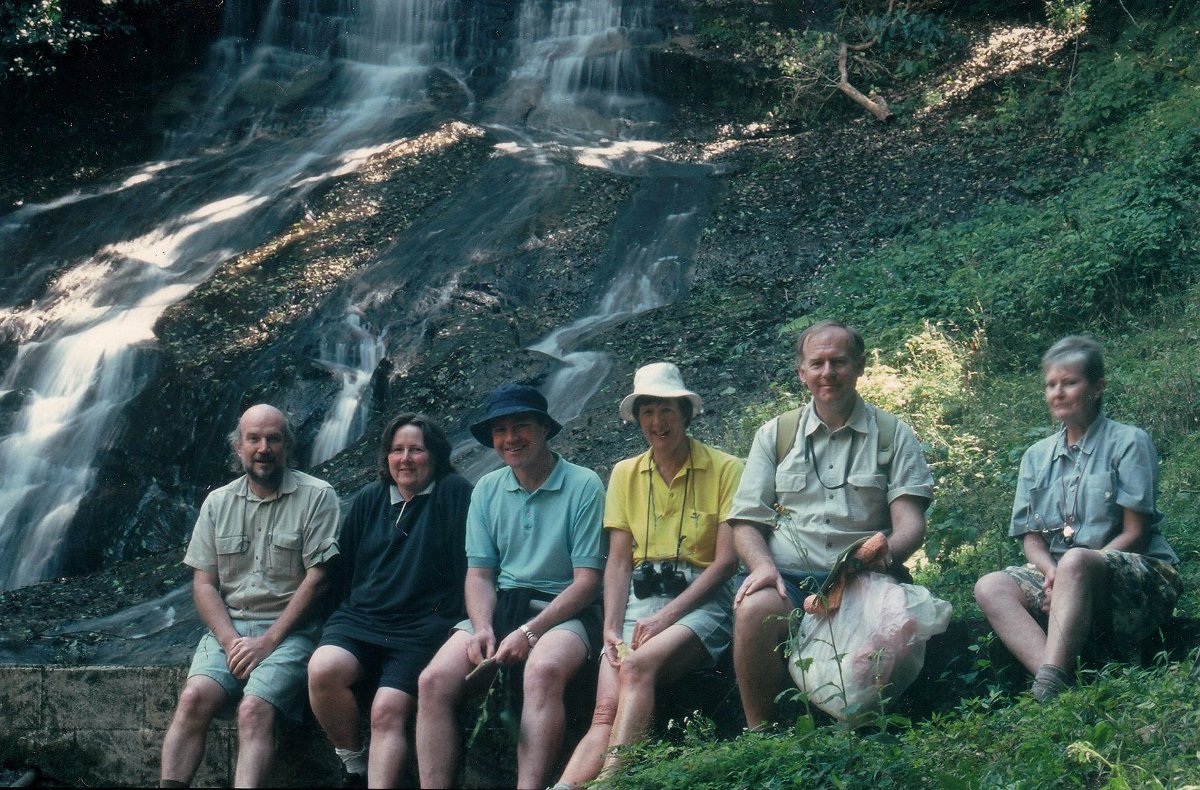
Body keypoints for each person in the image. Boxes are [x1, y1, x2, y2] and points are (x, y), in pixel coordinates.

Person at [727, 319, 934, 729]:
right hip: (787, 576)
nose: (828, 373)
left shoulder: (893, 435)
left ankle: (861, 734)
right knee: (754, 610)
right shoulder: (775, 434)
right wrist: (762, 567)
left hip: (863, 576)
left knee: (883, 627)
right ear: (801, 373)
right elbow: (746, 521)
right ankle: (760, 732)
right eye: (817, 363)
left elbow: (911, 525)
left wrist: (878, 556)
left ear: (858, 366)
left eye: (838, 362)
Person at [556, 363, 742, 787]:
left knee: (636, 669)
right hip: (638, 600)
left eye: (667, 410)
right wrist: (609, 627)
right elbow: (619, 561)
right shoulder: (625, 472)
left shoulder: (728, 468)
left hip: (699, 601)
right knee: (605, 710)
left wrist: (664, 618)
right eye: (648, 412)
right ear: (638, 418)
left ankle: (610, 782)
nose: (658, 422)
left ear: (685, 413)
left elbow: (726, 562)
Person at [415, 383, 606, 789]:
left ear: (544, 430)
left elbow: (588, 582)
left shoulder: (584, 484)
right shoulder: (487, 488)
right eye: (500, 431)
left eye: (521, 426)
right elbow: (479, 574)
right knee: (432, 681)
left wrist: (530, 632)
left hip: (564, 611)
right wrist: (482, 626)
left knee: (543, 669)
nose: (510, 438)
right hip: (503, 607)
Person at [974, 335, 1181, 702]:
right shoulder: (1036, 457)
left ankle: (1048, 688)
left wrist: (1071, 570)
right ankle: (1055, 685)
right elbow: (1032, 538)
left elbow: (1136, 532)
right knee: (990, 585)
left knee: (1076, 560)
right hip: (1063, 572)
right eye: (1051, 385)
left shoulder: (1129, 442)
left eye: (1070, 382)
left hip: (1134, 573)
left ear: (1097, 387)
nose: (1059, 392)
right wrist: (1054, 575)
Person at [159, 404, 340, 788]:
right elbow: (204, 584)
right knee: (192, 698)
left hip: (291, 633)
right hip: (231, 629)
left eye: (273, 438)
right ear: (238, 447)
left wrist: (268, 641)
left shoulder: (317, 496)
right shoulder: (217, 503)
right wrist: (229, 641)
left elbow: (319, 579)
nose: (263, 448)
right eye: (253, 439)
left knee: (254, 710)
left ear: (287, 445)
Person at [308, 414, 472, 787]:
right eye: (397, 450)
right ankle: (354, 767)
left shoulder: (454, 493)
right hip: (360, 620)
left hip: (421, 628)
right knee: (322, 669)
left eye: (416, 449)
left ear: (435, 455)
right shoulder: (369, 499)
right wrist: (331, 622)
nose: (406, 458)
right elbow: (344, 569)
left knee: (387, 709)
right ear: (386, 457)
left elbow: (471, 566)